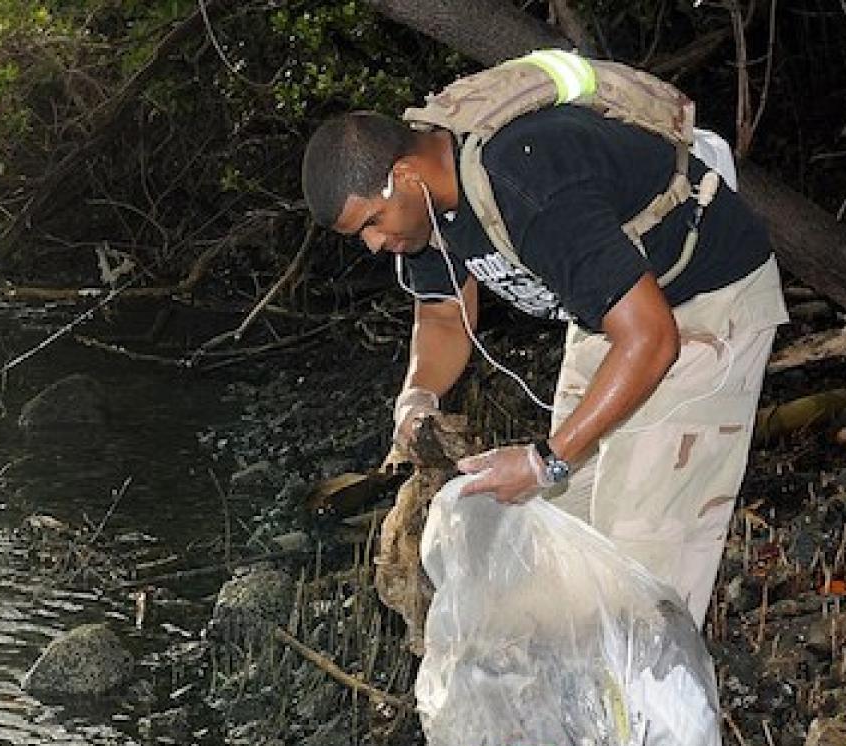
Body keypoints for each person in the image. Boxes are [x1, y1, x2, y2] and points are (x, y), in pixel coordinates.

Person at [300, 69, 788, 627]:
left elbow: (653, 338)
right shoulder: (427, 212)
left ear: (403, 176)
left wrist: (546, 459)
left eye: (372, 223)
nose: (374, 245)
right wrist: (417, 397)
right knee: (562, 534)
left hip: (701, 304)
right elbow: (440, 315)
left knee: (637, 563)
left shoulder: (525, 180)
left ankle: (649, 702)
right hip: (610, 315)